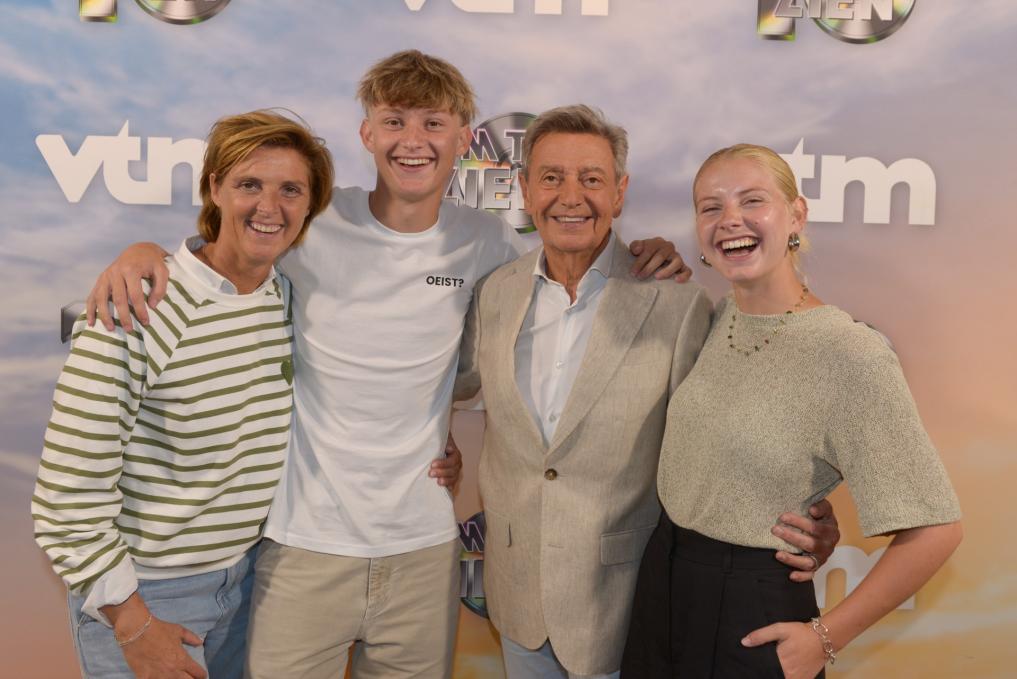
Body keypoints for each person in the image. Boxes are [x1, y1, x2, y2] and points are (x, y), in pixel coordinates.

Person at [83, 51, 687, 678]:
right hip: (302, 545)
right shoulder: (310, 222)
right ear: (367, 133)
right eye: (395, 121)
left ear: (463, 140)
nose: (413, 141)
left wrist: (644, 255)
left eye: (433, 123)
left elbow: (566, 282)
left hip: (423, 550)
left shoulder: (487, 242)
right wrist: (144, 251)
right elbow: (225, 253)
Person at [455, 108, 841, 679]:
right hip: (516, 598)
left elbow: (719, 439)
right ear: (525, 189)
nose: (571, 196)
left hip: (628, 604)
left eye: (591, 178)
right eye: (552, 177)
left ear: (619, 193)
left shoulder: (676, 303)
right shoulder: (494, 292)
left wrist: (798, 512)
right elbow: (444, 385)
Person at [621, 144, 962, 678]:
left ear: (796, 215)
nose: (730, 219)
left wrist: (825, 638)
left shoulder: (849, 352)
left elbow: (936, 530)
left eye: (752, 200)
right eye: (711, 207)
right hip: (663, 589)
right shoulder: (717, 317)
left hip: (751, 614)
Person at [32, 110, 335, 679]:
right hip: (145, 597)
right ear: (214, 187)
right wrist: (134, 625)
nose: (269, 207)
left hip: (250, 586)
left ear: (310, 205)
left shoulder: (286, 297)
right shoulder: (139, 306)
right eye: (249, 184)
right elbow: (65, 503)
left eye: (290, 190)